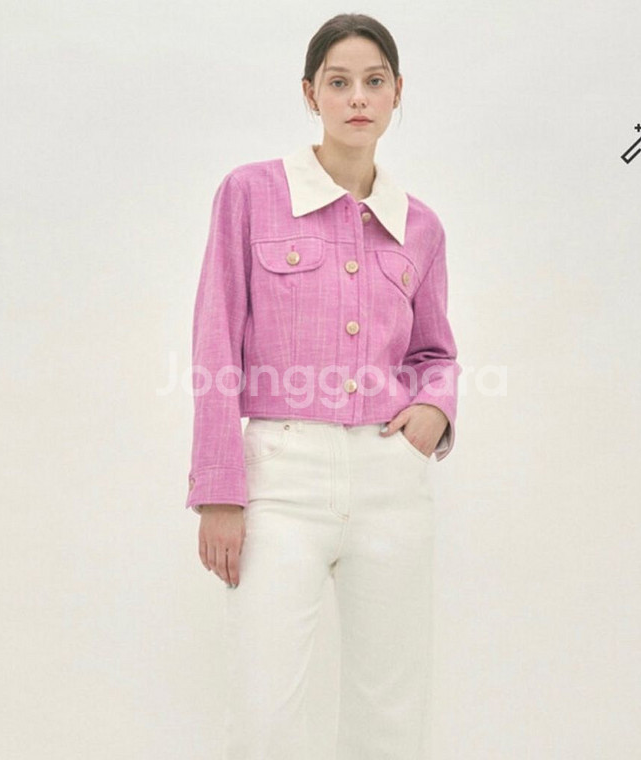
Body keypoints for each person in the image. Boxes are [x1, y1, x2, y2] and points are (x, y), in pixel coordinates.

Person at [185, 13, 461, 760]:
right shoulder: (250, 193)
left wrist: (435, 408)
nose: (357, 98)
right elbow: (215, 341)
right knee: (265, 704)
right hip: (280, 478)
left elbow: (435, 351)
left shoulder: (421, 227)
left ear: (397, 92)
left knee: (390, 708)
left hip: (390, 482)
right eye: (339, 82)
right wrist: (219, 490)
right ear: (311, 94)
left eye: (374, 81)